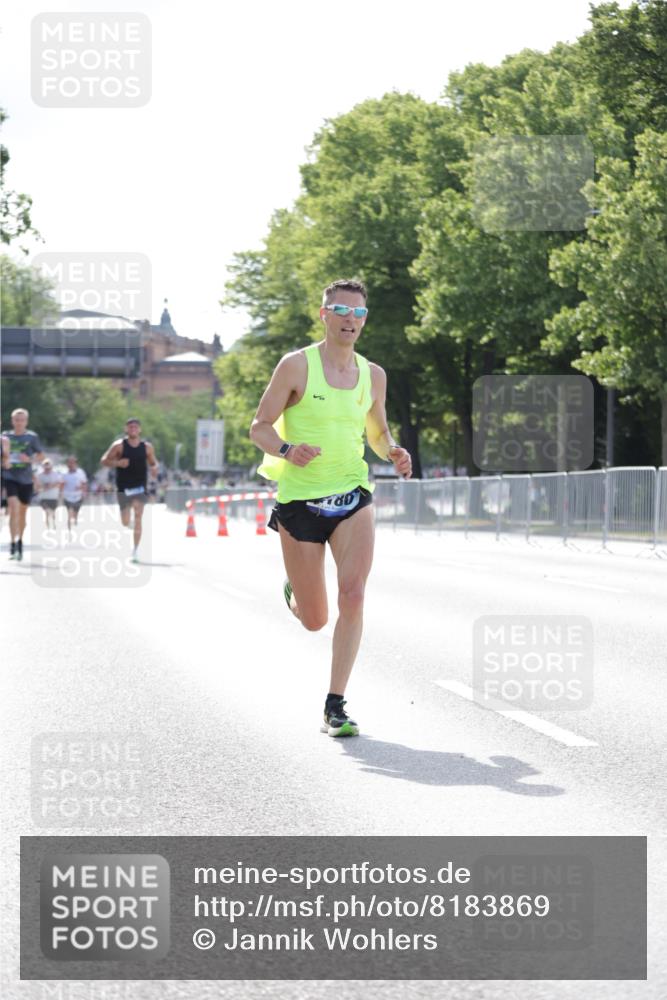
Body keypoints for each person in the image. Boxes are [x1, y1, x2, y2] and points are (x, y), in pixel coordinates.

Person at [250, 279, 412, 737]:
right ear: (323, 314)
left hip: (352, 495)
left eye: (358, 312)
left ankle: (334, 704)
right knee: (315, 620)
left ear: (365, 319)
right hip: (300, 503)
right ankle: (296, 592)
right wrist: (285, 448)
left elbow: (378, 434)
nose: (350, 319)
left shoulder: (373, 374)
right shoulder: (296, 366)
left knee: (354, 594)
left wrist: (394, 450)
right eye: (340, 309)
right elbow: (259, 427)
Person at [101, 417, 158, 563]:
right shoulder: (119, 445)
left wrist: (154, 468)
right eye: (130, 427)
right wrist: (118, 462)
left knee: (138, 516)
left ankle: (135, 551)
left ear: (140, 430)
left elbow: (152, 462)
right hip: (124, 487)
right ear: (126, 429)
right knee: (125, 521)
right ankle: (129, 524)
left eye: (135, 427)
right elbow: (104, 461)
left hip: (140, 486)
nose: (133, 429)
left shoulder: (147, 447)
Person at [1, 408, 45, 560]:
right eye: (16, 420)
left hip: (26, 479)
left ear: (26, 421)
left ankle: (20, 541)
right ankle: (12, 543)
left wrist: (29, 460)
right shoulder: (5, 436)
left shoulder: (32, 437)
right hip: (9, 476)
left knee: (22, 513)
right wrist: (4, 462)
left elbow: (41, 456)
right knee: (13, 508)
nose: (19, 423)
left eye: (22, 420)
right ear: (12, 421)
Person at [60, 456, 88, 534]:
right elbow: (61, 485)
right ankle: (69, 529)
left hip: (78, 496)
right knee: (69, 512)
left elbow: (84, 483)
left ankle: (75, 520)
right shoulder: (64, 473)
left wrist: (82, 490)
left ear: (76, 463)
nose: (71, 464)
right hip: (67, 496)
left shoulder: (80, 472)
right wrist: (61, 493)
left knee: (75, 512)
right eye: (69, 462)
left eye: (72, 462)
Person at [36, 458, 62, 530]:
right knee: (46, 511)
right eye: (45, 466)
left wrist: (51, 486)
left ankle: (53, 522)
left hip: (53, 497)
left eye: (48, 466)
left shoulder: (56, 474)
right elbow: (37, 485)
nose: (47, 468)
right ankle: (48, 525)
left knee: (52, 511)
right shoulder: (39, 475)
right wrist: (44, 487)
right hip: (43, 497)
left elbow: (59, 483)